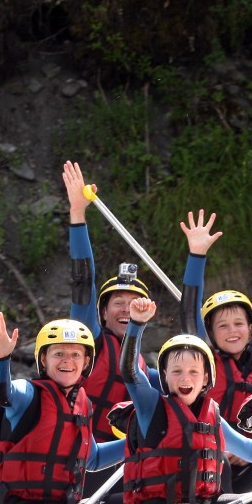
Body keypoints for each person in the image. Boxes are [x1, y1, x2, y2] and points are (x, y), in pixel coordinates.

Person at [112, 296, 252, 504]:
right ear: (164, 376)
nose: (185, 378)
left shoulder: (212, 417)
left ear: (206, 378)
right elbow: (130, 371)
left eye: (193, 372)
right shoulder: (152, 408)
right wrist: (136, 324)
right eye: (176, 371)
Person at [0, 313, 147, 504]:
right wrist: (2, 358)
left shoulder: (82, 404)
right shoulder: (27, 394)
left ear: (86, 362)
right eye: (58, 353)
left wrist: (136, 443)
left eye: (75, 354)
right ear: (43, 360)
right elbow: (2, 392)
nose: (67, 361)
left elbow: (93, 459)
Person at [176, 209, 252, 493]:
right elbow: (188, 311)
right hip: (206, 462)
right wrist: (197, 255)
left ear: (251, 328)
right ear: (210, 333)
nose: (232, 331)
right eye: (223, 326)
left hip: (249, 462)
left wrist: (250, 449)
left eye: (239, 324)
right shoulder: (203, 361)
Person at [62, 160, 160, 443]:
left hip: (118, 462)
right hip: (75, 453)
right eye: (118, 302)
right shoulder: (89, 340)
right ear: (102, 313)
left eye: (134, 302)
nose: (126, 308)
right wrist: (78, 213)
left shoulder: (147, 370)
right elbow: (82, 281)